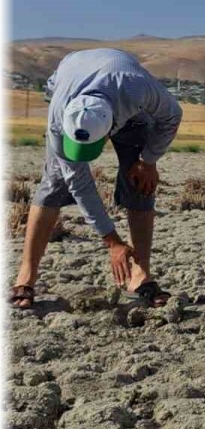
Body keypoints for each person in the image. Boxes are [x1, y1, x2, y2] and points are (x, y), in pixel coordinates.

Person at [10, 48, 183, 309]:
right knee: (54, 184)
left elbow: (172, 115)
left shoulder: (136, 90)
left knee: (140, 184)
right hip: (71, 76)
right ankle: (27, 275)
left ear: (108, 131)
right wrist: (112, 241)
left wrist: (148, 161)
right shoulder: (60, 119)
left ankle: (140, 275)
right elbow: (79, 183)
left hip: (130, 109)